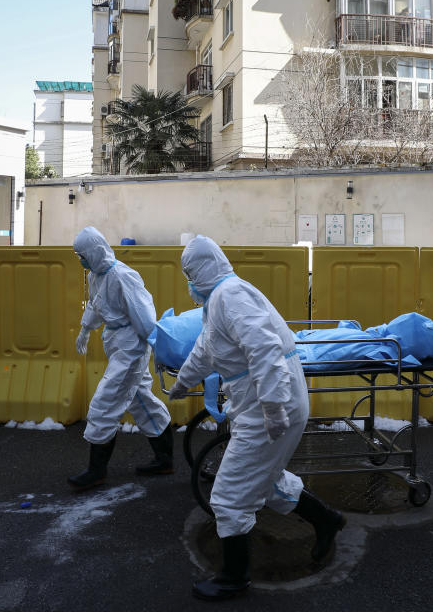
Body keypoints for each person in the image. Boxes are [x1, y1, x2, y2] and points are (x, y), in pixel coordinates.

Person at [168, 235, 345, 601]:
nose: (187, 281)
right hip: (260, 403)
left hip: (268, 404)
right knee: (265, 480)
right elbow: (206, 348)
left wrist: (274, 406)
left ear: (200, 270)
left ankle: (234, 577)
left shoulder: (229, 296)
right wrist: (184, 382)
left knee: (230, 494)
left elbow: (265, 349)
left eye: (188, 273)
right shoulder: (220, 299)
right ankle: (326, 520)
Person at [69, 226, 175, 490]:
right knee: (141, 401)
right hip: (118, 342)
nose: (79, 258)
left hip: (131, 348)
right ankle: (165, 460)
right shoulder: (97, 275)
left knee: (105, 403)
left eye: (81, 253)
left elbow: (145, 317)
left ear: (93, 251)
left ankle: (96, 471)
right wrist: (85, 328)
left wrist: (155, 347)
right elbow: (96, 304)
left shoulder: (122, 276)